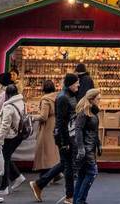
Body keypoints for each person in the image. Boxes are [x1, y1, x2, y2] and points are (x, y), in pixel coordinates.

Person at [31, 74, 78, 203]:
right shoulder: (62, 97)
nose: (78, 85)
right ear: (70, 84)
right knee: (68, 166)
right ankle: (69, 196)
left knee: (65, 164)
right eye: (76, 83)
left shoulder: (68, 96)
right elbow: (61, 121)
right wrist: (64, 141)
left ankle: (39, 184)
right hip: (65, 136)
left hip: (64, 134)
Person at [0, 83, 27, 195]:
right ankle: (17, 177)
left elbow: (5, 125)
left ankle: (4, 187)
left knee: (4, 160)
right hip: (18, 135)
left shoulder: (8, 106)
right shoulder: (21, 102)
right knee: (6, 157)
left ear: (7, 94)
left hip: (10, 136)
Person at [71, 88, 102, 204]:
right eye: (98, 99)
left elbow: (94, 131)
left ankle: (78, 200)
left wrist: (98, 144)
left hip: (89, 147)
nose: (99, 101)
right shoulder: (84, 112)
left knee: (83, 174)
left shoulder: (92, 112)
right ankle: (80, 200)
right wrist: (81, 148)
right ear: (92, 99)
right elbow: (78, 130)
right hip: (86, 148)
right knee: (92, 172)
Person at [31, 80, 59, 189]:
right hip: (54, 125)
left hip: (47, 128)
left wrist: (32, 117)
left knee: (44, 152)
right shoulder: (57, 97)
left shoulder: (46, 99)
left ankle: (44, 178)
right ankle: (56, 173)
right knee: (52, 151)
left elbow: (43, 116)